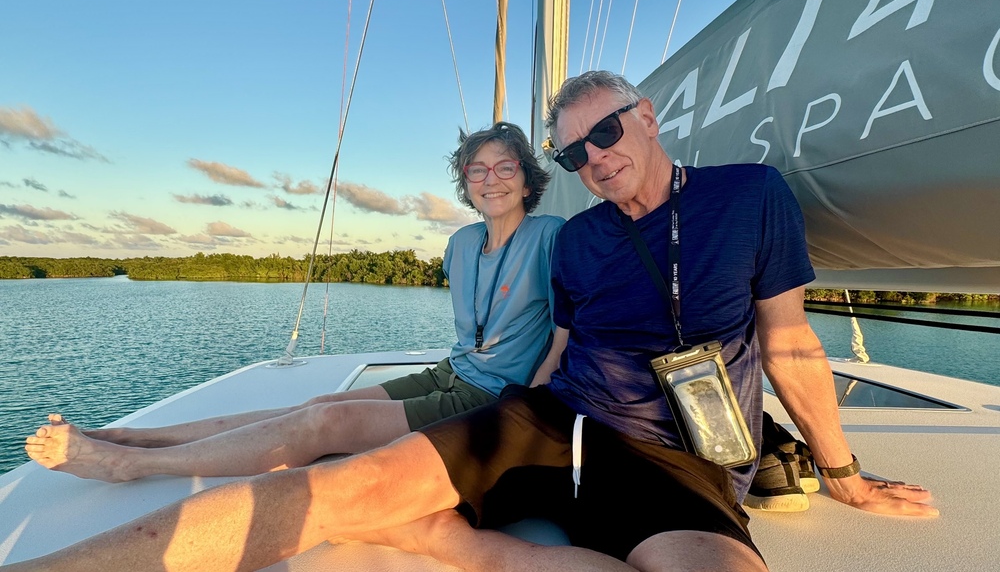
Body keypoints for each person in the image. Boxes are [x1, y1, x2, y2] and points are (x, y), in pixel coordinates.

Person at [5, 72, 937, 572]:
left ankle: (447, 539)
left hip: (677, 455)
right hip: (546, 420)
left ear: (646, 118)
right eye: (576, 149)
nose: (594, 157)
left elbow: (788, 343)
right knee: (337, 480)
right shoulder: (573, 243)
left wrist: (842, 473)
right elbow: (558, 353)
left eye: (605, 133)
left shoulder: (748, 198)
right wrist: (468, 435)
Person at [23, 121, 566, 483]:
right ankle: (127, 436)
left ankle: (127, 466)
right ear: (465, 182)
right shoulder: (461, 244)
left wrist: (536, 394)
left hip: (496, 395)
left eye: (505, 168)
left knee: (322, 429)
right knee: (316, 405)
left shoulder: (551, 236)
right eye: (478, 170)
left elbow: (570, 325)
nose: (490, 179)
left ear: (526, 179)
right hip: (449, 372)